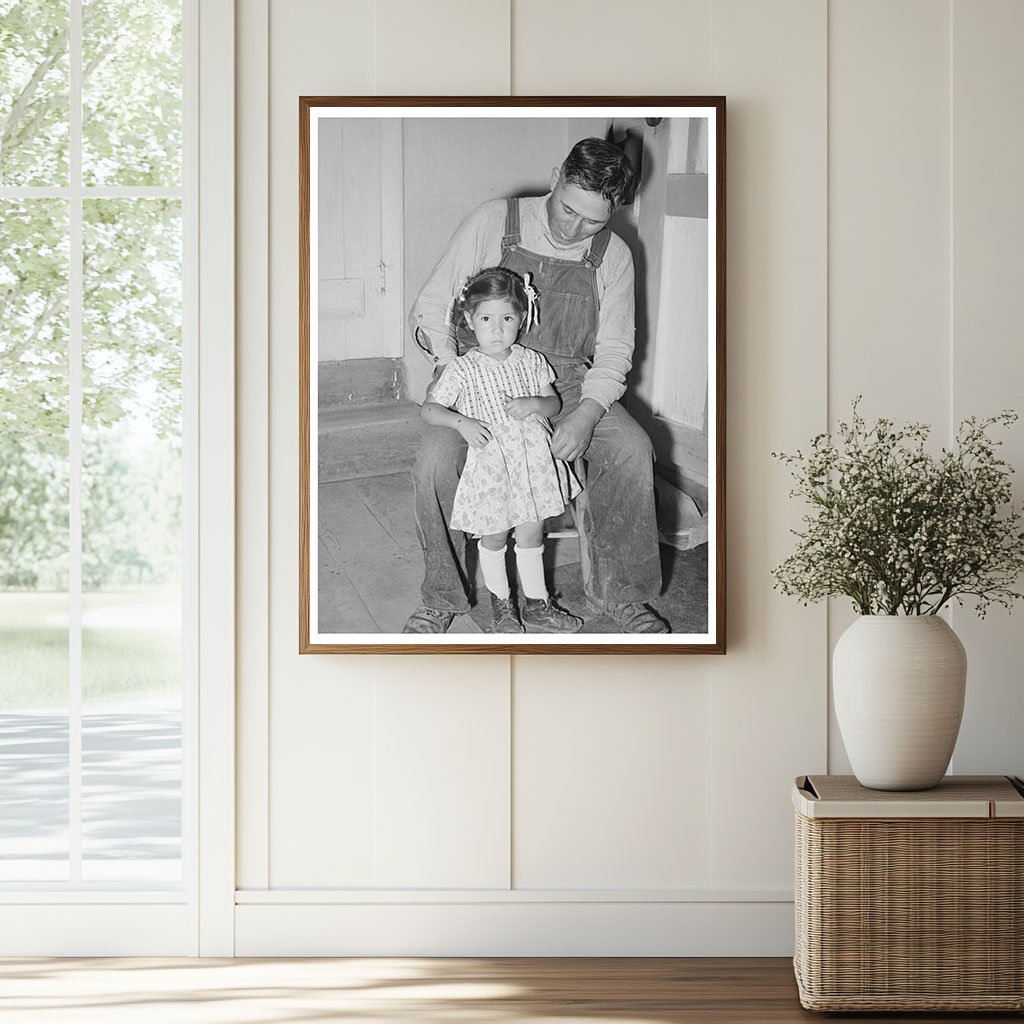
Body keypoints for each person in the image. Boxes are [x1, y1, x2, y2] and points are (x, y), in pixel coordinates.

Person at [404, 137, 668, 634]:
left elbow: (613, 352)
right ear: (554, 178)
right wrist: (450, 368)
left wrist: (586, 414)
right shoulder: (492, 222)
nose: (573, 228)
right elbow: (432, 305)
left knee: (632, 448)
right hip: (479, 374)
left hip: (566, 382)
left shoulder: (614, 255)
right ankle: (443, 594)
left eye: (592, 220)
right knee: (436, 463)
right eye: (567, 209)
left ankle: (621, 593)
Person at [421, 267, 584, 634]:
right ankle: (502, 604)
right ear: (469, 319)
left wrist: (535, 404)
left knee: (531, 535)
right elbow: (429, 410)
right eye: (486, 318)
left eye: (507, 318)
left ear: (522, 318)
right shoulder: (463, 370)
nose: (497, 330)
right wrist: (461, 423)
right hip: (493, 468)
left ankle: (538, 603)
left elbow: (554, 404)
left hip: (534, 466)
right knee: (494, 537)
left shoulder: (531, 360)